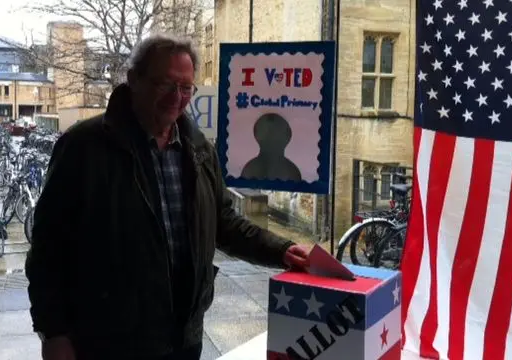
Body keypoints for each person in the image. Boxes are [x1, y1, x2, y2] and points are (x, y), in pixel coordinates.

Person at [25, 33, 310, 360]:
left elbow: (222, 223)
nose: (177, 97)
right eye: (165, 84)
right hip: (109, 342)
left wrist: (284, 251)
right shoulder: (84, 148)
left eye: (186, 87)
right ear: (134, 79)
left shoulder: (199, 149)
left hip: (183, 340)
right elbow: (48, 250)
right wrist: (53, 333)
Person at [240, 112, 302, 181]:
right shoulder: (292, 171)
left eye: (274, 131)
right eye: (267, 131)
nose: (271, 134)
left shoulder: (249, 169)